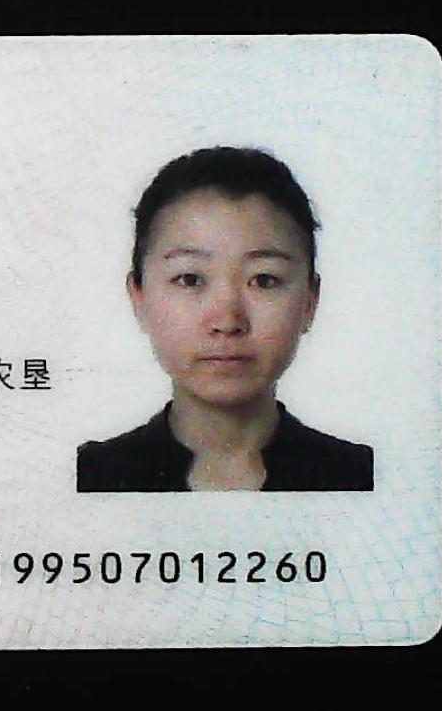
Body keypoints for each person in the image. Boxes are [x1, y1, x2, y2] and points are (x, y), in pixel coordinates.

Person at [76, 147, 373, 492]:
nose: (227, 321)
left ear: (310, 300)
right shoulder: (89, 476)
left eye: (264, 280)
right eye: (190, 279)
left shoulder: (363, 477)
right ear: (138, 297)